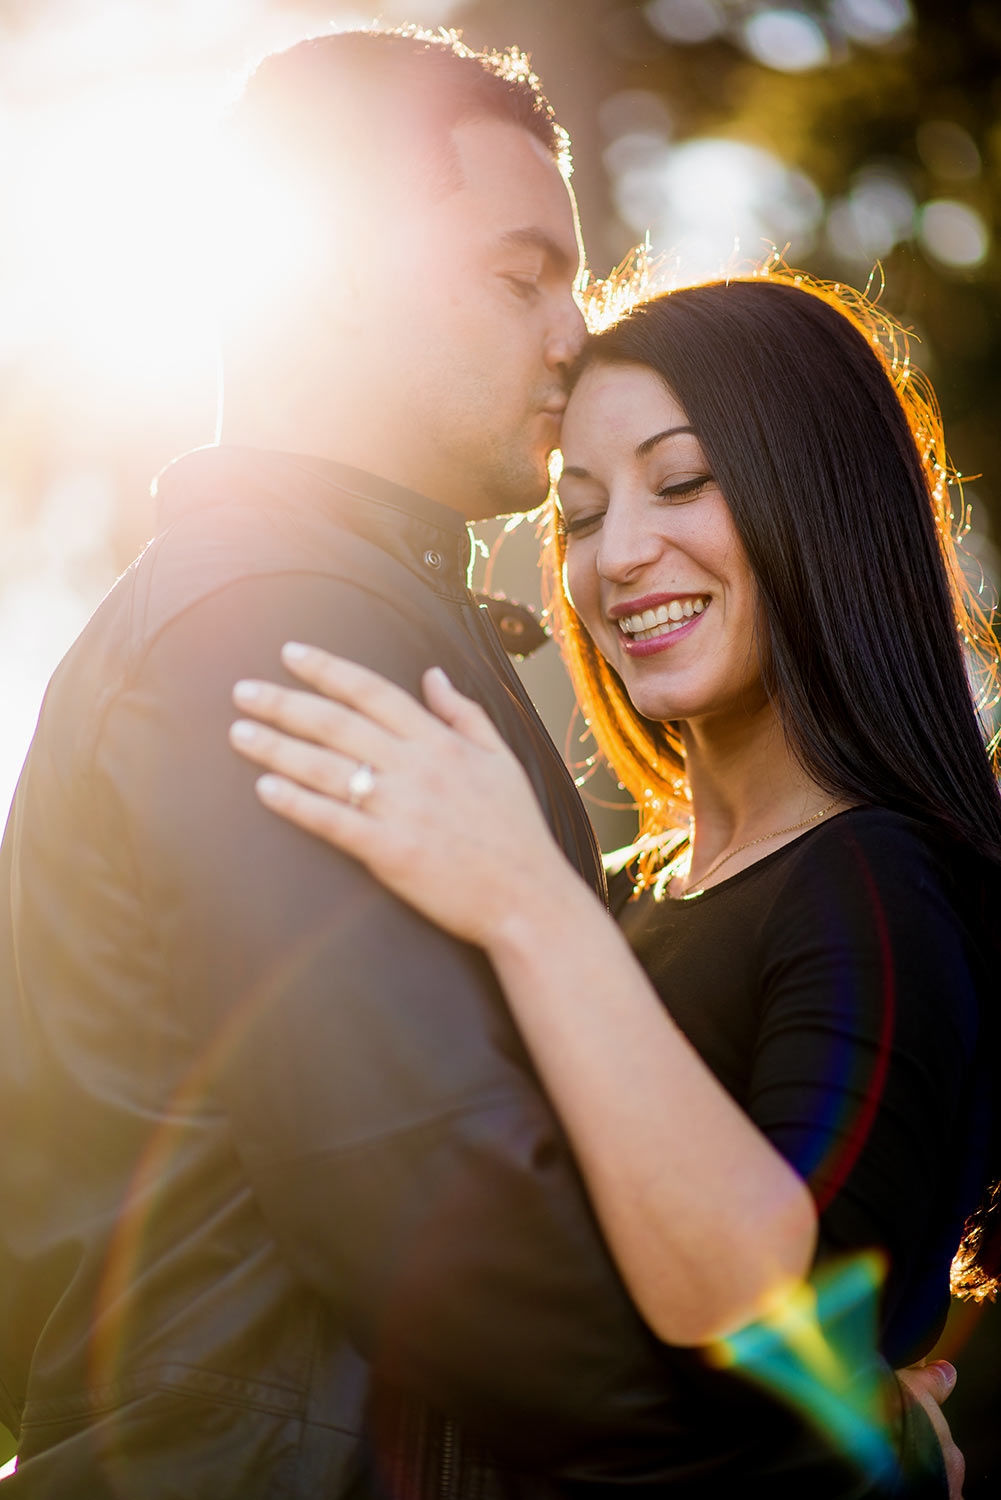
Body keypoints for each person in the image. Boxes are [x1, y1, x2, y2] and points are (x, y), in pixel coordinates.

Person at [0, 25, 955, 1496]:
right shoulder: (279, 620)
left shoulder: (324, 607)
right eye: (522, 278)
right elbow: (459, 1225)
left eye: (680, 484)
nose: (570, 332)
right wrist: (854, 1430)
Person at [226, 271, 1001, 1496]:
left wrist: (523, 897)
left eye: (680, 481)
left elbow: (783, 1348)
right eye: (579, 515)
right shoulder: (620, 893)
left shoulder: (876, 884)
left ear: (823, 499)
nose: (619, 556)